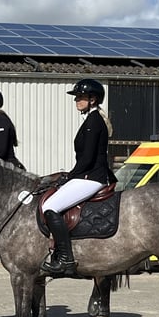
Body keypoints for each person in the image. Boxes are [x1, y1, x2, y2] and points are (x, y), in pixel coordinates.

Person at [40, 78, 116, 277]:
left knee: (50, 207)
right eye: (76, 98)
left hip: (92, 177)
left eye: (80, 97)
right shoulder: (91, 119)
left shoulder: (94, 121)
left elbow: (88, 158)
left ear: (93, 99)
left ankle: (66, 259)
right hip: (87, 174)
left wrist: (70, 176)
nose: (77, 101)